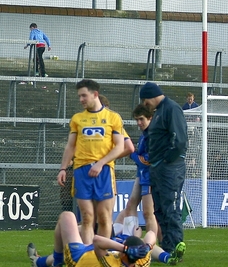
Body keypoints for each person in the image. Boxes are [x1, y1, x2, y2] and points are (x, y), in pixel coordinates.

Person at [57, 79, 125, 244]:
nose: (81, 99)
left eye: (84, 96)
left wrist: (101, 163)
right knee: (87, 217)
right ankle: (87, 256)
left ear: (95, 94)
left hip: (104, 171)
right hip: (82, 171)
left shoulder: (113, 118)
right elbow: (70, 146)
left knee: (104, 217)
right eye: (79, 96)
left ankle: (101, 255)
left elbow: (120, 146)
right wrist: (63, 168)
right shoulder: (77, 119)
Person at [140, 82, 188, 253]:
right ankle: (167, 246)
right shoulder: (159, 111)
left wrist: (167, 160)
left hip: (169, 168)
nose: (145, 105)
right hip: (158, 168)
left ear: (151, 96)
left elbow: (179, 140)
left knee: (171, 207)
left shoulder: (171, 109)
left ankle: (175, 247)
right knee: (160, 209)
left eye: (145, 101)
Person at [27, 211, 153, 267]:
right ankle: (40, 262)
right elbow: (151, 233)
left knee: (67, 217)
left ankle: (55, 265)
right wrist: (147, 247)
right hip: (90, 251)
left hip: (78, 260)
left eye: (124, 246)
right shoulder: (141, 263)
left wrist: (125, 248)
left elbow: (97, 240)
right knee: (82, 227)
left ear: (125, 251)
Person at [123, 104, 157, 235]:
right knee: (130, 206)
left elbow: (146, 161)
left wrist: (131, 153)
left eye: (141, 119)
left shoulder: (152, 135)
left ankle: (150, 247)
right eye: (137, 119)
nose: (139, 123)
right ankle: (129, 242)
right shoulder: (144, 134)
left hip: (149, 176)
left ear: (150, 118)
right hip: (142, 175)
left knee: (149, 213)